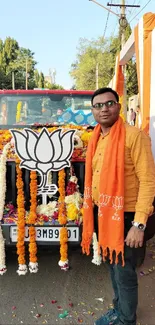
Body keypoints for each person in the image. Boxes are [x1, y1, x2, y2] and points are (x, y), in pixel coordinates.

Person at [81, 87, 155, 325]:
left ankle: (126, 319)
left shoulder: (135, 136)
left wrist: (139, 224)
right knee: (113, 266)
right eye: (98, 105)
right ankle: (119, 309)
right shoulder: (96, 138)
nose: (104, 109)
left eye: (109, 103)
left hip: (128, 215)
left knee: (124, 272)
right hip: (105, 214)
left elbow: (148, 180)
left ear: (119, 106)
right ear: (93, 111)